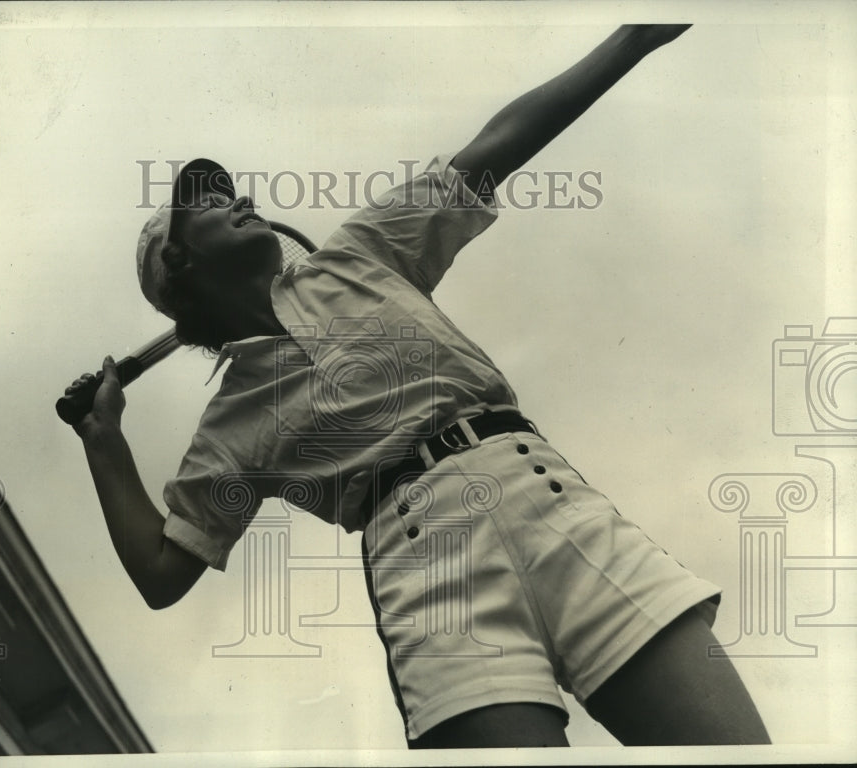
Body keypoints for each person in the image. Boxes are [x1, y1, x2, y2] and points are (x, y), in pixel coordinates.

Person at [67, 24, 771, 748]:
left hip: (554, 505)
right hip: (427, 572)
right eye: (208, 204)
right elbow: (162, 572)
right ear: (179, 264)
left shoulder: (360, 251)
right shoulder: (230, 425)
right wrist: (103, 442)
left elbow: (491, 149)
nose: (236, 197)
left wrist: (632, 39)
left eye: (228, 190)